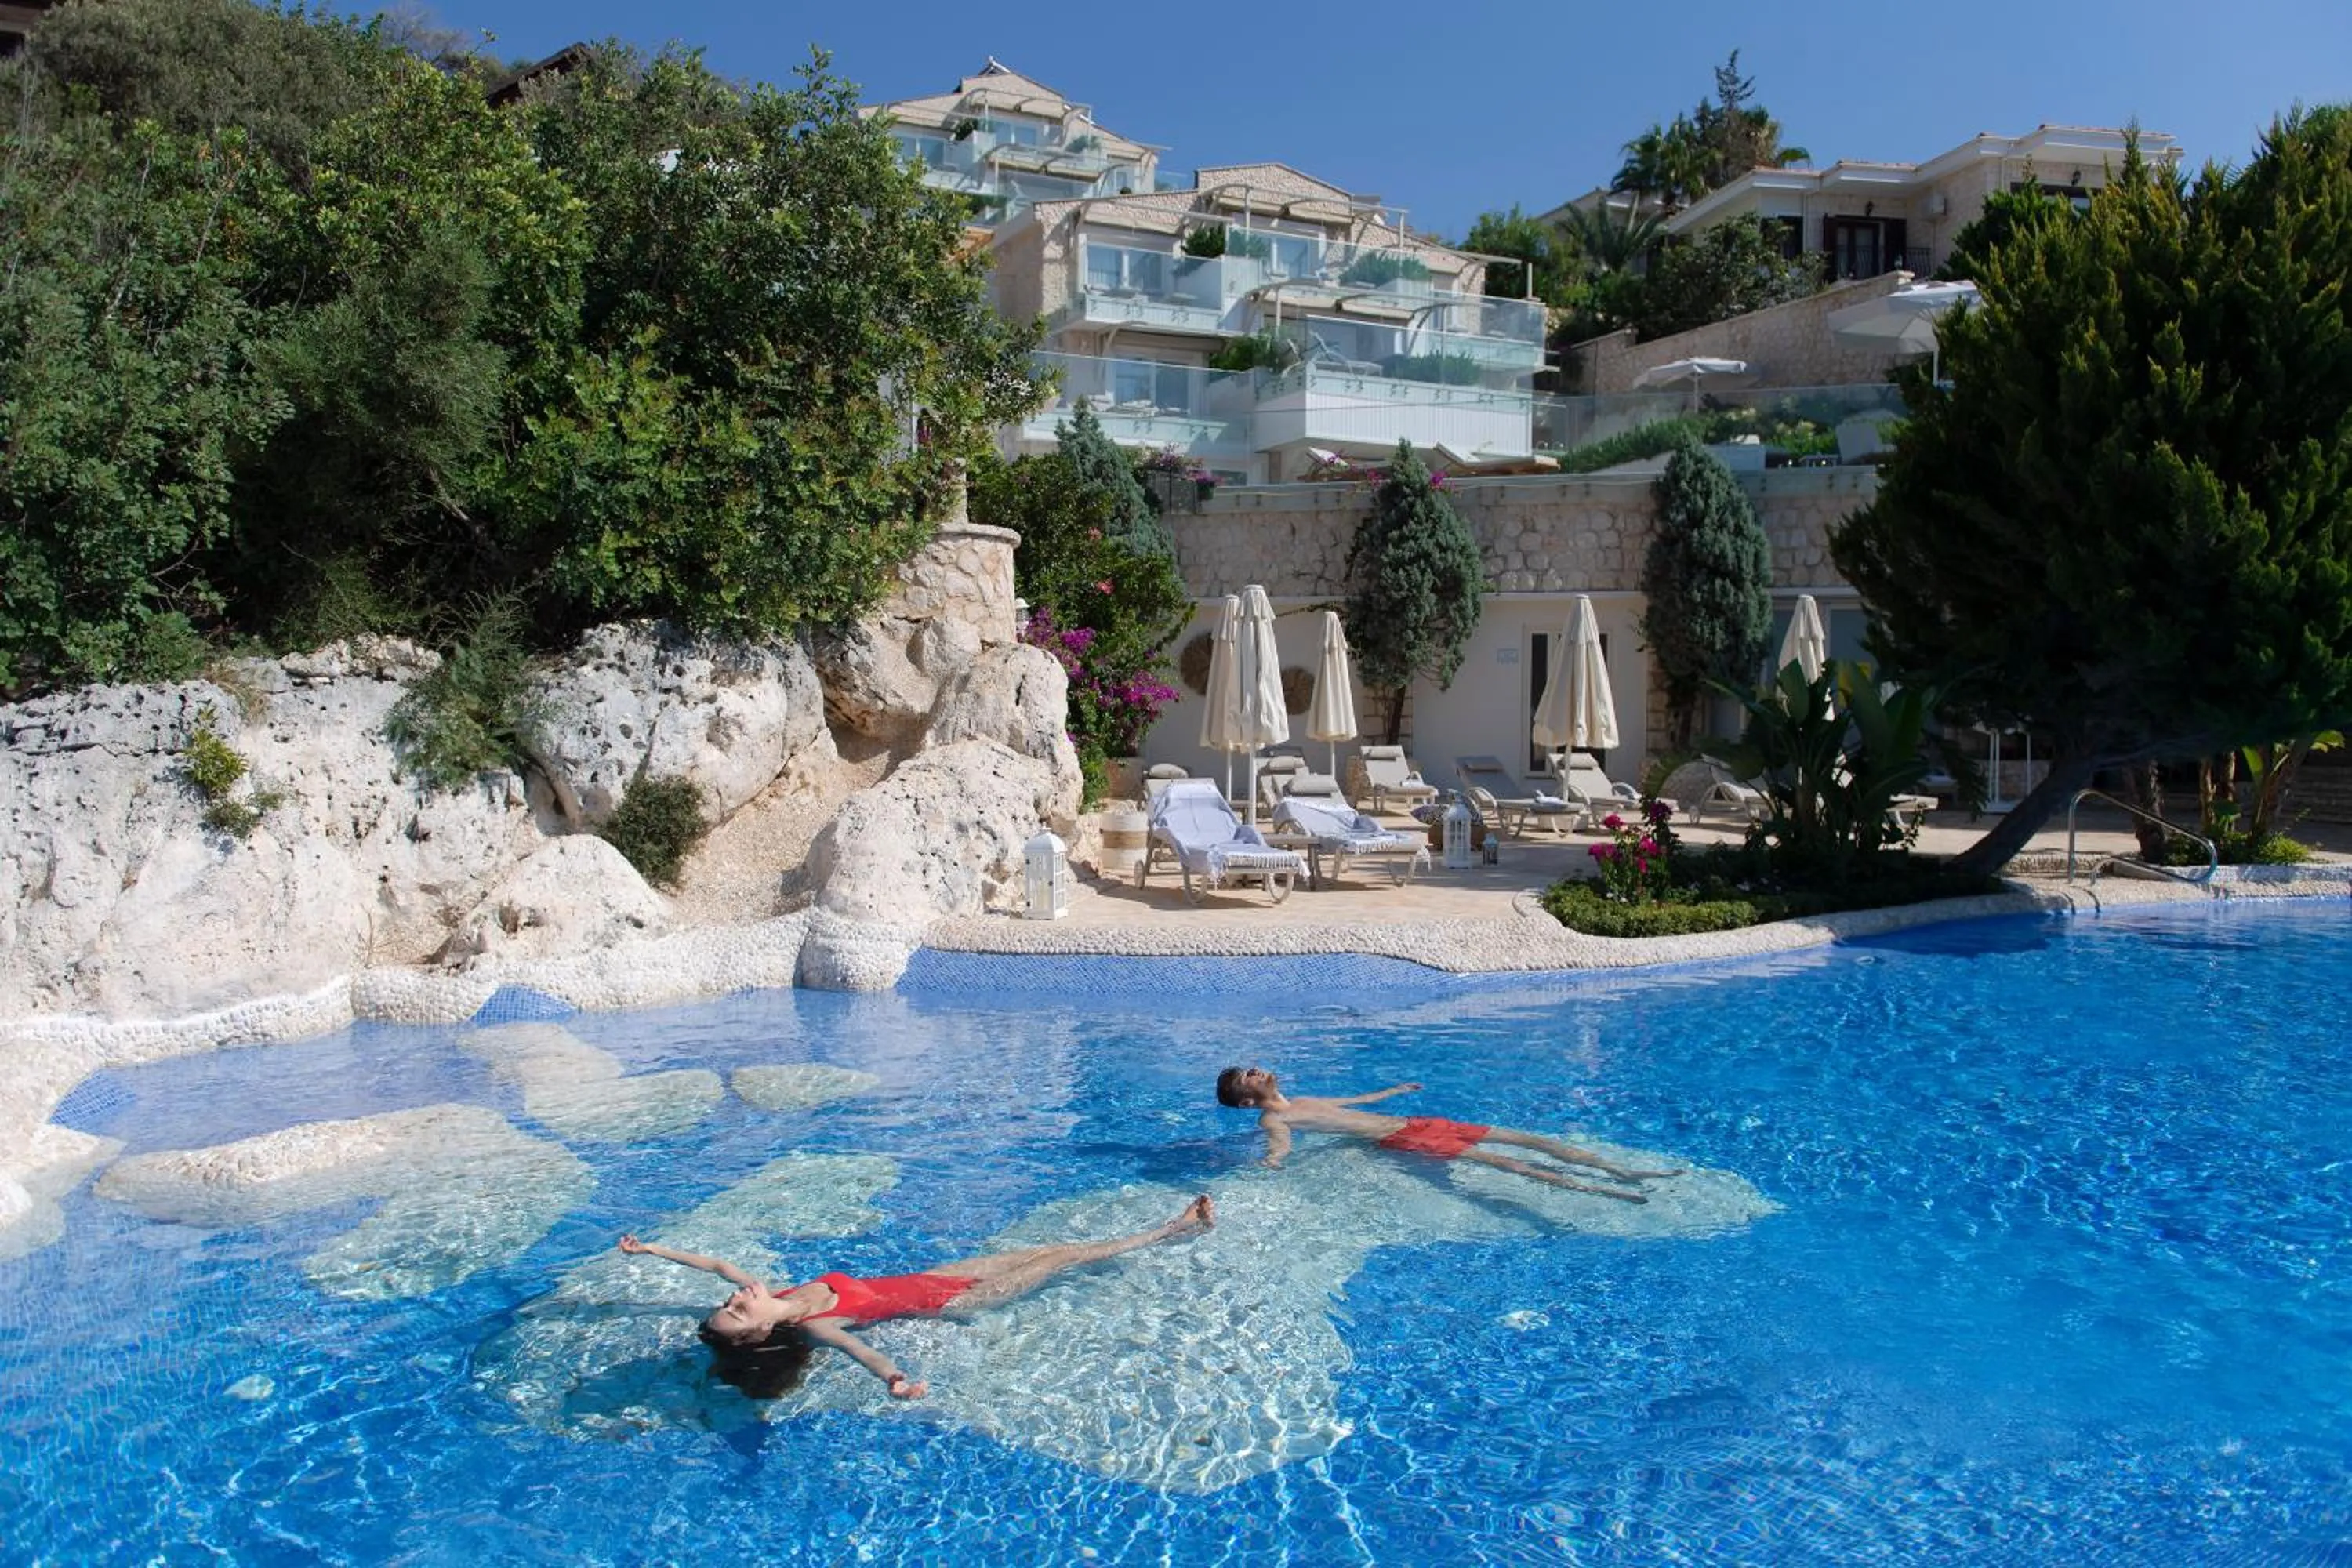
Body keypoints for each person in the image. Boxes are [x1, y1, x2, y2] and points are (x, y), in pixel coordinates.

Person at [616, 1193, 1214, 1400]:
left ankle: (1172, 1228)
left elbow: (717, 1265)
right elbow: (863, 1352)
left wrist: (651, 1250)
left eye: (729, 1302)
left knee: (1051, 1246)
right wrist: (894, 1380)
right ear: (761, 1332)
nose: (737, 1296)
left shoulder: (778, 1294)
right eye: (738, 1310)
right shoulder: (816, 1327)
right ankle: (1175, 1227)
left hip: (941, 1274)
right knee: (1065, 1258)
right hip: (952, 1302)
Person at [1214, 1066, 1677, 1202]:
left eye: (1251, 1069)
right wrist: (1270, 1166)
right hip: (1404, 1141)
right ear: (1248, 1102)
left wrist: (1392, 1090)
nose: (1255, 1070)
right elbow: (1279, 1149)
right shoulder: (1274, 1121)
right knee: (1508, 1163)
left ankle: (1621, 1171)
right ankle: (1598, 1190)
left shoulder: (1302, 1099)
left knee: (1526, 1140)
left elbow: (1356, 1102)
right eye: (1247, 1078)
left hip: (1418, 1124)